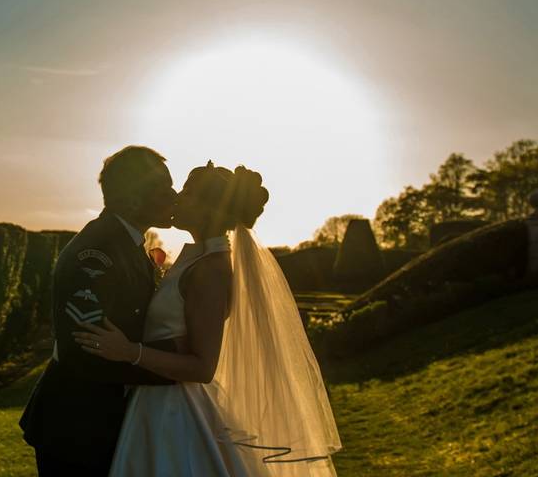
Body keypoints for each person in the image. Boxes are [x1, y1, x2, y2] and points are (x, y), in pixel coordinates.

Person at [73, 162, 343, 476]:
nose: (176, 197)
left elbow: (202, 367)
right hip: (155, 400)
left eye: (187, 192)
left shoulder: (211, 270)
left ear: (209, 210)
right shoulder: (199, 260)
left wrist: (128, 351)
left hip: (175, 413)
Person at [18, 145, 181, 476]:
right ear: (133, 198)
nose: (174, 195)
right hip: (77, 427)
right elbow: (86, 351)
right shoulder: (96, 252)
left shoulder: (127, 244)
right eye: (163, 187)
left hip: (98, 422)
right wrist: (180, 368)